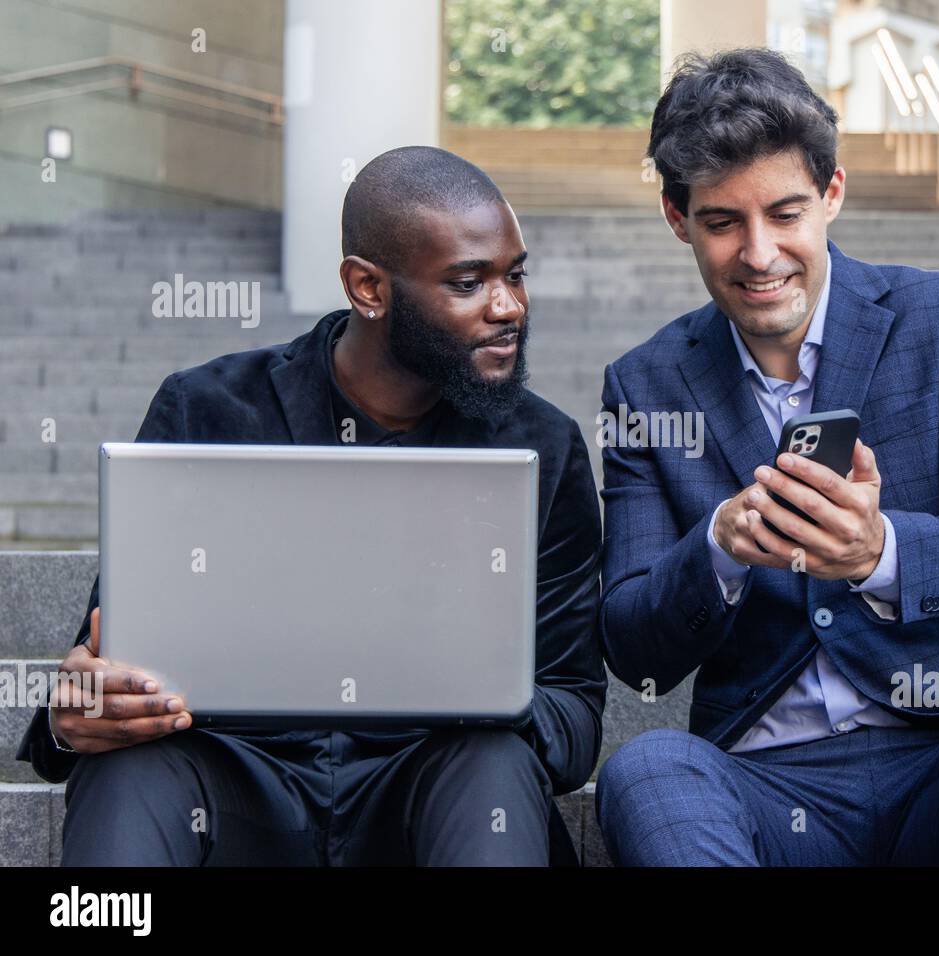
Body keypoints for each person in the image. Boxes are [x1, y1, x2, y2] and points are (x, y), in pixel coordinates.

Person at [594, 49, 939, 866]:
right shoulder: (644, 386)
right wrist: (720, 548)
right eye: (722, 222)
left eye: (786, 213)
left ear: (832, 194)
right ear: (678, 219)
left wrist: (882, 553)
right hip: (768, 784)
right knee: (646, 768)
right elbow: (633, 643)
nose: (761, 254)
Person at [16, 146, 606, 867]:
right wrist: (75, 718)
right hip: (230, 787)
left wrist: (485, 692)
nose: (509, 306)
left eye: (515, 274)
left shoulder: (543, 445)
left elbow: (574, 719)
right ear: (367, 287)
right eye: (467, 282)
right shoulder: (206, 411)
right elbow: (106, 659)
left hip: (430, 795)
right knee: (128, 768)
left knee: (491, 762)